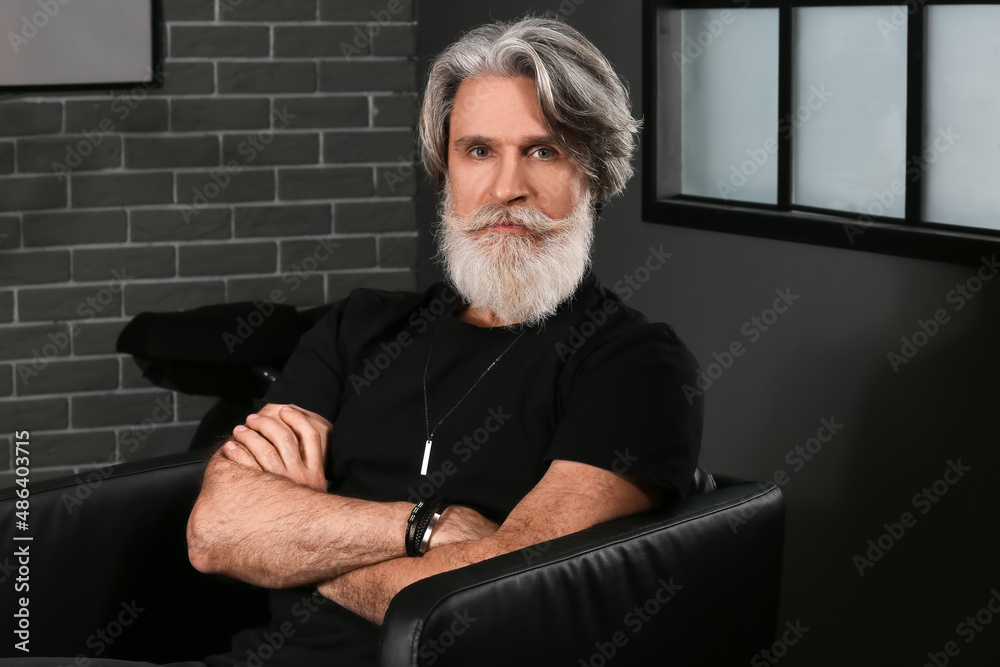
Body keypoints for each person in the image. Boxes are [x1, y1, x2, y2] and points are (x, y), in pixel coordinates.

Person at [1, 15, 701, 667]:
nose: (505, 188)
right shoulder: (359, 326)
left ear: (598, 174)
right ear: (446, 171)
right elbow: (215, 532)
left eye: (543, 151)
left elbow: (496, 598)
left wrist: (300, 538)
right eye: (478, 150)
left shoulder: (633, 365)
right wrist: (428, 528)